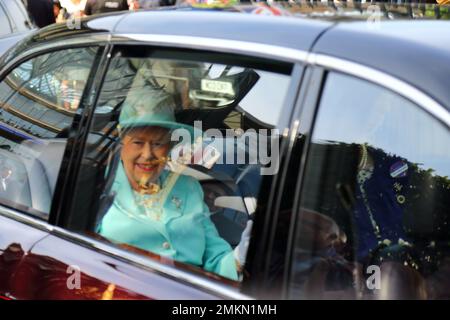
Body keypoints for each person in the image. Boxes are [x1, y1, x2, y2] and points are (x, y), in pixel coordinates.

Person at [97, 90, 251, 281]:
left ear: (169, 147)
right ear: (122, 143)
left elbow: (216, 260)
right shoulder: (100, 183)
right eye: (138, 142)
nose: (147, 154)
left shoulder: (188, 188)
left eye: (158, 143)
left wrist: (239, 258)